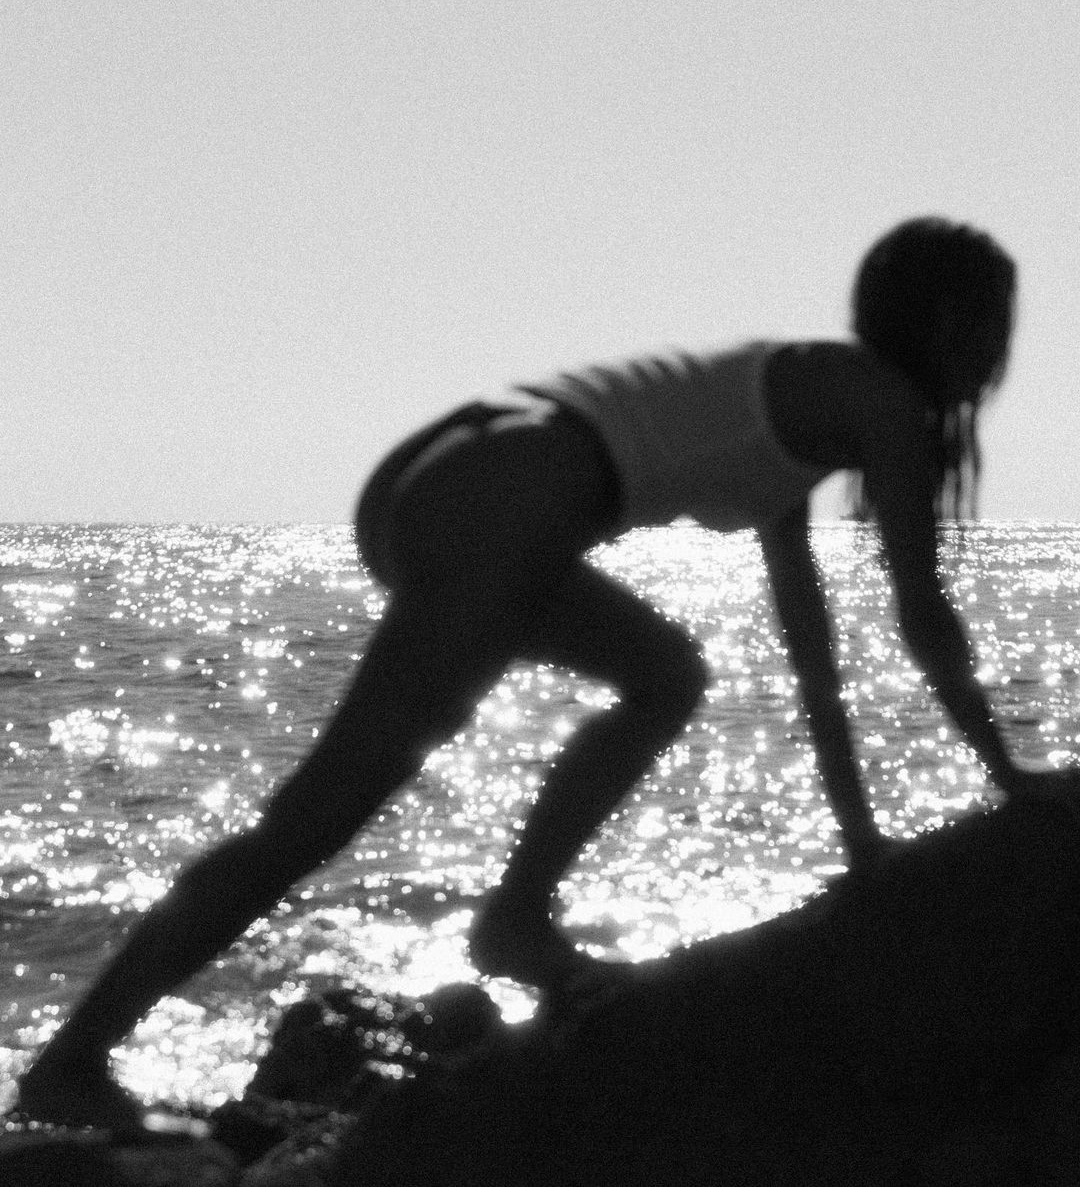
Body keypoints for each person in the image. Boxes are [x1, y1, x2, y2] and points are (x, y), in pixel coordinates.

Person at [17, 216, 1065, 1129]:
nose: (997, 353)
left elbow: (811, 645)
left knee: (666, 675)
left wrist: (858, 837)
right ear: (943, 321)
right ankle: (73, 1062)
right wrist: (1005, 773)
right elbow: (921, 611)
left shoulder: (811, 401)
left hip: (462, 475)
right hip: (507, 495)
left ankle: (515, 919)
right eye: (990, 325)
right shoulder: (880, 401)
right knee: (317, 818)